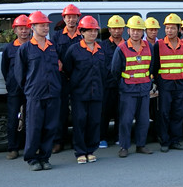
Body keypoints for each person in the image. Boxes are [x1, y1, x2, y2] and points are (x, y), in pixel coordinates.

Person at [15, 11, 62, 171]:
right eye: (41, 25)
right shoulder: (25, 48)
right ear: (32, 27)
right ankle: (32, 158)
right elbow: (20, 74)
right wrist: (30, 89)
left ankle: (45, 157)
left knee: (50, 127)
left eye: (46, 25)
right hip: (35, 94)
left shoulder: (52, 47)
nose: (45, 28)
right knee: (34, 128)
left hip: (53, 93)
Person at [62, 16, 108, 164]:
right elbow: (67, 69)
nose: (92, 33)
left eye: (95, 31)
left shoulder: (101, 50)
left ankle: (91, 150)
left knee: (94, 122)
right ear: (82, 32)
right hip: (79, 93)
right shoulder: (74, 50)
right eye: (89, 31)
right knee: (80, 122)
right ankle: (80, 152)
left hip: (97, 92)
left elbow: (105, 71)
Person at [111, 16, 154, 157]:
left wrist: (148, 83)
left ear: (143, 32)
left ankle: (141, 145)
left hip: (144, 88)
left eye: (139, 30)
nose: (136, 33)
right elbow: (115, 70)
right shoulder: (121, 48)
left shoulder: (149, 46)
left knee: (143, 120)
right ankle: (124, 147)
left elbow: (152, 66)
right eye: (133, 30)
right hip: (128, 90)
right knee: (126, 120)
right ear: (128, 31)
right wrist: (123, 84)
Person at [151, 13, 183, 152]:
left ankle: (175, 140)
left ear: (178, 29)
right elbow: (154, 65)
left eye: (172, 28)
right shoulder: (159, 44)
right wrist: (156, 82)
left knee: (178, 113)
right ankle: (165, 141)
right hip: (165, 83)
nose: (169, 30)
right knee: (164, 113)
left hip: (180, 83)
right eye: (167, 28)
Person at [51, 3, 82, 153]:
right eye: (68, 17)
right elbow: (52, 53)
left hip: (79, 77)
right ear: (64, 18)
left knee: (78, 111)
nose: (71, 20)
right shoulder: (57, 36)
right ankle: (59, 141)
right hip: (61, 78)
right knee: (61, 111)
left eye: (73, 17)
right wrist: (58, 61)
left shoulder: (83, 34)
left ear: (78, 18)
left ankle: (78, 141)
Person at [0, 14, 31, 159]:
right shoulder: (9, 48)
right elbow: (5, 68)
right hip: (14, 88)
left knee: (31, 118)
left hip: (31, 88)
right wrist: (10, 82)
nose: (24, 31)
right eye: (20, 28)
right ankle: (13, 148)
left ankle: (30, 146)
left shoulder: (34, 46)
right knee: (13, 118)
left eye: (26, 28)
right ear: (15, 30)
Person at [98, 15, 125, 148]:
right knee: (104, 112)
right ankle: (102, 137)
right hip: (107, 85)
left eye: (119, 28)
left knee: (121, 111)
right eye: (114, 28)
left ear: (123, 29)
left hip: (123, 84)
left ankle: (119, 136)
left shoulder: (127, 44)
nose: (116, 31)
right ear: (109, 29)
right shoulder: (102, 45)